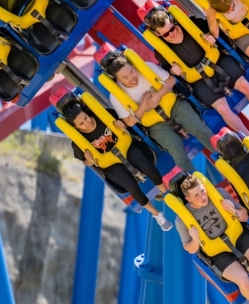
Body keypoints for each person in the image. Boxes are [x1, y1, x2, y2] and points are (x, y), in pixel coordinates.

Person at [172, 173, 249, 304]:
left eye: (202, 190)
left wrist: (232, 210)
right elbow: (190, 249)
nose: (202, 196)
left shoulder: (218, 194)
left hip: (238, 236)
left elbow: (244, 216)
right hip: (218, 253)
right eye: (196, 195)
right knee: (244, 282)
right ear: (188, 199)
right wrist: (195, 239)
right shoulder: (181, 219)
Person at [55, 93, 172, 230]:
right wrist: (88, 160)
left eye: (85, 118)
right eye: (81, 123)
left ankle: (168, 194)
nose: (87, 123)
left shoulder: (104, 115)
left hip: (125, 147)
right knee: (131, 186)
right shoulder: (78, 143)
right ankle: (157, 215)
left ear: (86, 113)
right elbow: (87, 164)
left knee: (147, 167)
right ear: (76, 127)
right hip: (110, 163)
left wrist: (120, 124)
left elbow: (125, 124)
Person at [143, 5, 249, 135]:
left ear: (172, 20)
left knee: (245, 86)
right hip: (198, 80)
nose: (172, 33)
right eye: (166, 34)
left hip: (217, 62)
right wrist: (172, 71)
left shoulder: (193, 23)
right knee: (223, 109)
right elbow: (166, 72)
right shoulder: (160, 52)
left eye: (172, 28)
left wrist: (211, 36)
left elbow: (215, 30)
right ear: (157, 34)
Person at [99, 48, 217, 172]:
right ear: (118, 80)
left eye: (132, 72)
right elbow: (129, 122)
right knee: (176, 149)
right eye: (125, 78)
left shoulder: (147, 67)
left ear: (133, 66)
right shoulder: (115, 95)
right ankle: (195, 184)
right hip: (155, 124)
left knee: (199, 128)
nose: (132, 78)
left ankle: (226, 157)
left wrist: (156, 96)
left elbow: (171, 80)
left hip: (174, 106)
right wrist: (144, 104)